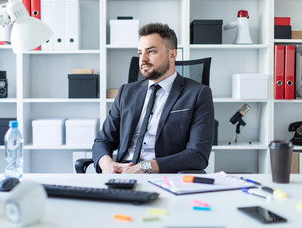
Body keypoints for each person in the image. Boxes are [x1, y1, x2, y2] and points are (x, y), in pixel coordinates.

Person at [92, 23, 214, 174]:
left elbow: (198, 155)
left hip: (164, 176)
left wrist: (147, 167)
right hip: (122, 174)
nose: (143, 59)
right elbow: (103, 140)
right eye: (140, 52)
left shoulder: (198, 93)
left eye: (151, 52)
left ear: (172, 54)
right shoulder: (126, 92)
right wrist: (107, 163)